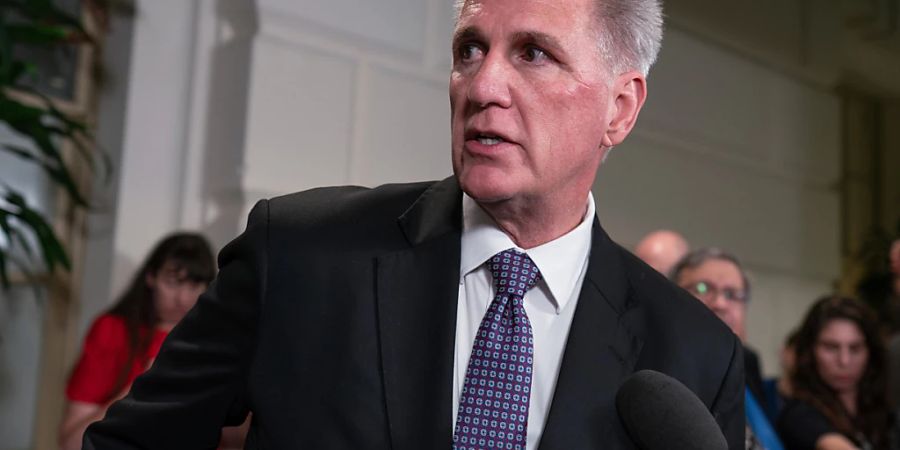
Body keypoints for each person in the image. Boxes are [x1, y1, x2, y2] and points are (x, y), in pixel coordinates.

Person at [84, 0, 745, 448]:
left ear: (620, 109)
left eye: (534, 54)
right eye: (470, 49)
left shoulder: (695, 356)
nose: (482, 85)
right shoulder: (297, 253)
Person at [58, 232, 245, 450]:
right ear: (151, 277)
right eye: (173, 282)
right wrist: (139, 389)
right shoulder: (112, 331)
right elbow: (70, 443)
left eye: (194, 285)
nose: (182, 298)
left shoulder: (219, 341)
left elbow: (237, 441)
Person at [671, 247, 784, 450]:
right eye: (703, 288)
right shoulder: (660, 372)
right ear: (672, 295)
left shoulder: (747, 366)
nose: (720, 303)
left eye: (732, 294)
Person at [777, 296, 891, 450]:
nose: (844, 361)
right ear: (810, 351)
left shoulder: (882, 409)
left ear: (870, 352)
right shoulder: (800, 415)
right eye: (831, 347)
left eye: (855, 348)